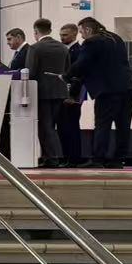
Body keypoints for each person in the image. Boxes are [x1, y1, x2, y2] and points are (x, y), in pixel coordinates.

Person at [70, 16, 132, 167]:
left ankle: (98, 159)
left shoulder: (92, 42)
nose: (81, 36)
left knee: (102, 124)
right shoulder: (115, 38)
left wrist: (66, 76)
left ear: (88, 29)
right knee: (123, 125)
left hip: (109, 90)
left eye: (81, 32)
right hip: (128, 87)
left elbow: (81, 64)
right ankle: (118, 159)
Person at [25, 18, 70, 167]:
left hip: (42, 92)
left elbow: (30, 73)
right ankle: (52, 156)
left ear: (36, 31)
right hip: (60, 92)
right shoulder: (63, 48)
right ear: (50, 30)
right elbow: (68, 71)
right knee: (52, 126)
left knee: (45, 126)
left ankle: (52, 158)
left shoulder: (35, 48)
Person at [58, 23, 85, 165]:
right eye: (61, 35)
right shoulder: (64, 50)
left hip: (73, 95)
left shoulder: (78, 51)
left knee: (72, 126)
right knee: (64, 126)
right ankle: (67, 156)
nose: (62, 38)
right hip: (64, 93)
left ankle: (74, 158)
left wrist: (73, 96)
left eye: (65, 35)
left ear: (75, 34)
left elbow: (79, 75)